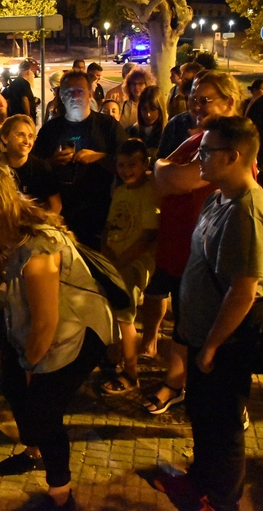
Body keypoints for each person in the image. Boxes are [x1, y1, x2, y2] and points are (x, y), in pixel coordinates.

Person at [0, 160, 114, 510]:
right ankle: (33, 452)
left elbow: (46, 323)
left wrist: (31, 367)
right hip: (29, 324)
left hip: (78, 329)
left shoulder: (37, 246)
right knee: (13, 387)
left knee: (43, 408)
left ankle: (61, 492)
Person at [155, 115, 263, 511]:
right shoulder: (218, 196)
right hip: (200, 333)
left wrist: (211, 346)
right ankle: (199, 481)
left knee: (223, 427)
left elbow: (243, 290)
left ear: (233, 157)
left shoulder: (246, 212)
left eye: (206, 152)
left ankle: (222, 501)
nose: (198, 159)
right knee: (202, 415)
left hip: (224, 343)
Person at [143, 71, 241, 416]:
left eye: (205, 99)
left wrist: (162, 168)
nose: (195, 106)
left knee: (200, 324)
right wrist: (165, 172)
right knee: (183, 320)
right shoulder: (198, 138)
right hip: (178, 246)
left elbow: (179, 178)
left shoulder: (228, 142)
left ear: (229, 102)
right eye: (192, 98)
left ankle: (217, 400)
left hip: (203, 252)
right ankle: (181, 382)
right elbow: (162, 180)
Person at [32, 71, 128, 250]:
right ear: (61, 96)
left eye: (80, 91)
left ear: (90, 93)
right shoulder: (50, 130)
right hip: (61, 215)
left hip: (100, 214)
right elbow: (33, 169)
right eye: (69, 92)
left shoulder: (107, 126)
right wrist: (50, 163)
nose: (75, 96)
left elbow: (128, 164)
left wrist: (100, 157)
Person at [99, 138, 159, 395]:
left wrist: (119, 262)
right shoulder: (121, 191)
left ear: (145, 164)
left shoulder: (149, 192)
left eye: (132, 164)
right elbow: (110, 225)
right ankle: (114, 356)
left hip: (132, 264)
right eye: (121, 165)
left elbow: (148, 236)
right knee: (112, 312)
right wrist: (105, 252)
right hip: (114, 262)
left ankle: (131, 373)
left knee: (125, 317)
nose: (126, 170)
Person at [0, 115, 61, 213]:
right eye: (20, 135)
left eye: (30, 136)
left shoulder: (41, 168)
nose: (26, 141)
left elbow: (56, 206)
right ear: (5, 137)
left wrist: (44, 221)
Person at [127, 85, 167, 160]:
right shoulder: (131, 132)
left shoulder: (168, 132)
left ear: (160, 109)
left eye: (153, 109)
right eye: (144, 109)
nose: (148, 114)